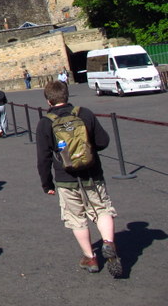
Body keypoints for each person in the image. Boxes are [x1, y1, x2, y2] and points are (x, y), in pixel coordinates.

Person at [35, 81, 122, 278]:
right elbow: (103, 141)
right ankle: (108, 242)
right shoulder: (85, 113)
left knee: (77, 218)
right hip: (92, 173)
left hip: (66, 178)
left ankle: (90, 257)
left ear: (48, 100)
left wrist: (47, 183)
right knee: (101, 209)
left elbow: (43, 158)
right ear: (67, 95)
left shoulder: (45, 122)